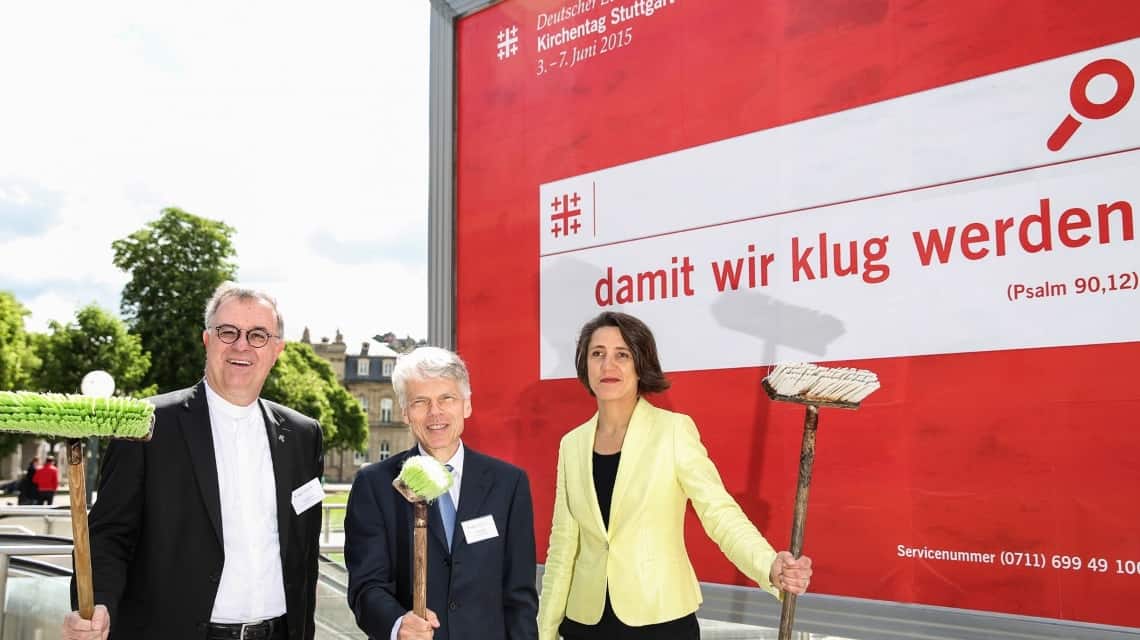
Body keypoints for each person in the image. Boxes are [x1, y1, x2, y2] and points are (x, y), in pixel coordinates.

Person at [62, 283, 324, 640]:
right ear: (207, 339)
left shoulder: (303, 435)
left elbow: (305, 553)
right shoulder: (145, 425)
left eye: (258, 335)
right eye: (228, 332)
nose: (242, 345)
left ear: (277, 349)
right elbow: (108, 537)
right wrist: (97, 604)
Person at [537, 311, 815, 640]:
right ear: (585, 365)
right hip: (585, 623)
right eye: (598, 354)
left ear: (640, 364)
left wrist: (769, 565)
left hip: (660, 619)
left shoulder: (673, 431)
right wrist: (544, 631)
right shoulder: (571, 444)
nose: (608, 365)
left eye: (622, 355)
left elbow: (719, 513)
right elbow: (563, 547)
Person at [345, 346, 538, 640]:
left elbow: (520, 597)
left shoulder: (508, 484)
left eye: (447, 398)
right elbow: (366, 586)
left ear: (466, 406)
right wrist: (397, 623)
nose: (435, 413)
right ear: (405, 412)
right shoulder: (375, 485)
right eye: (420, 401)